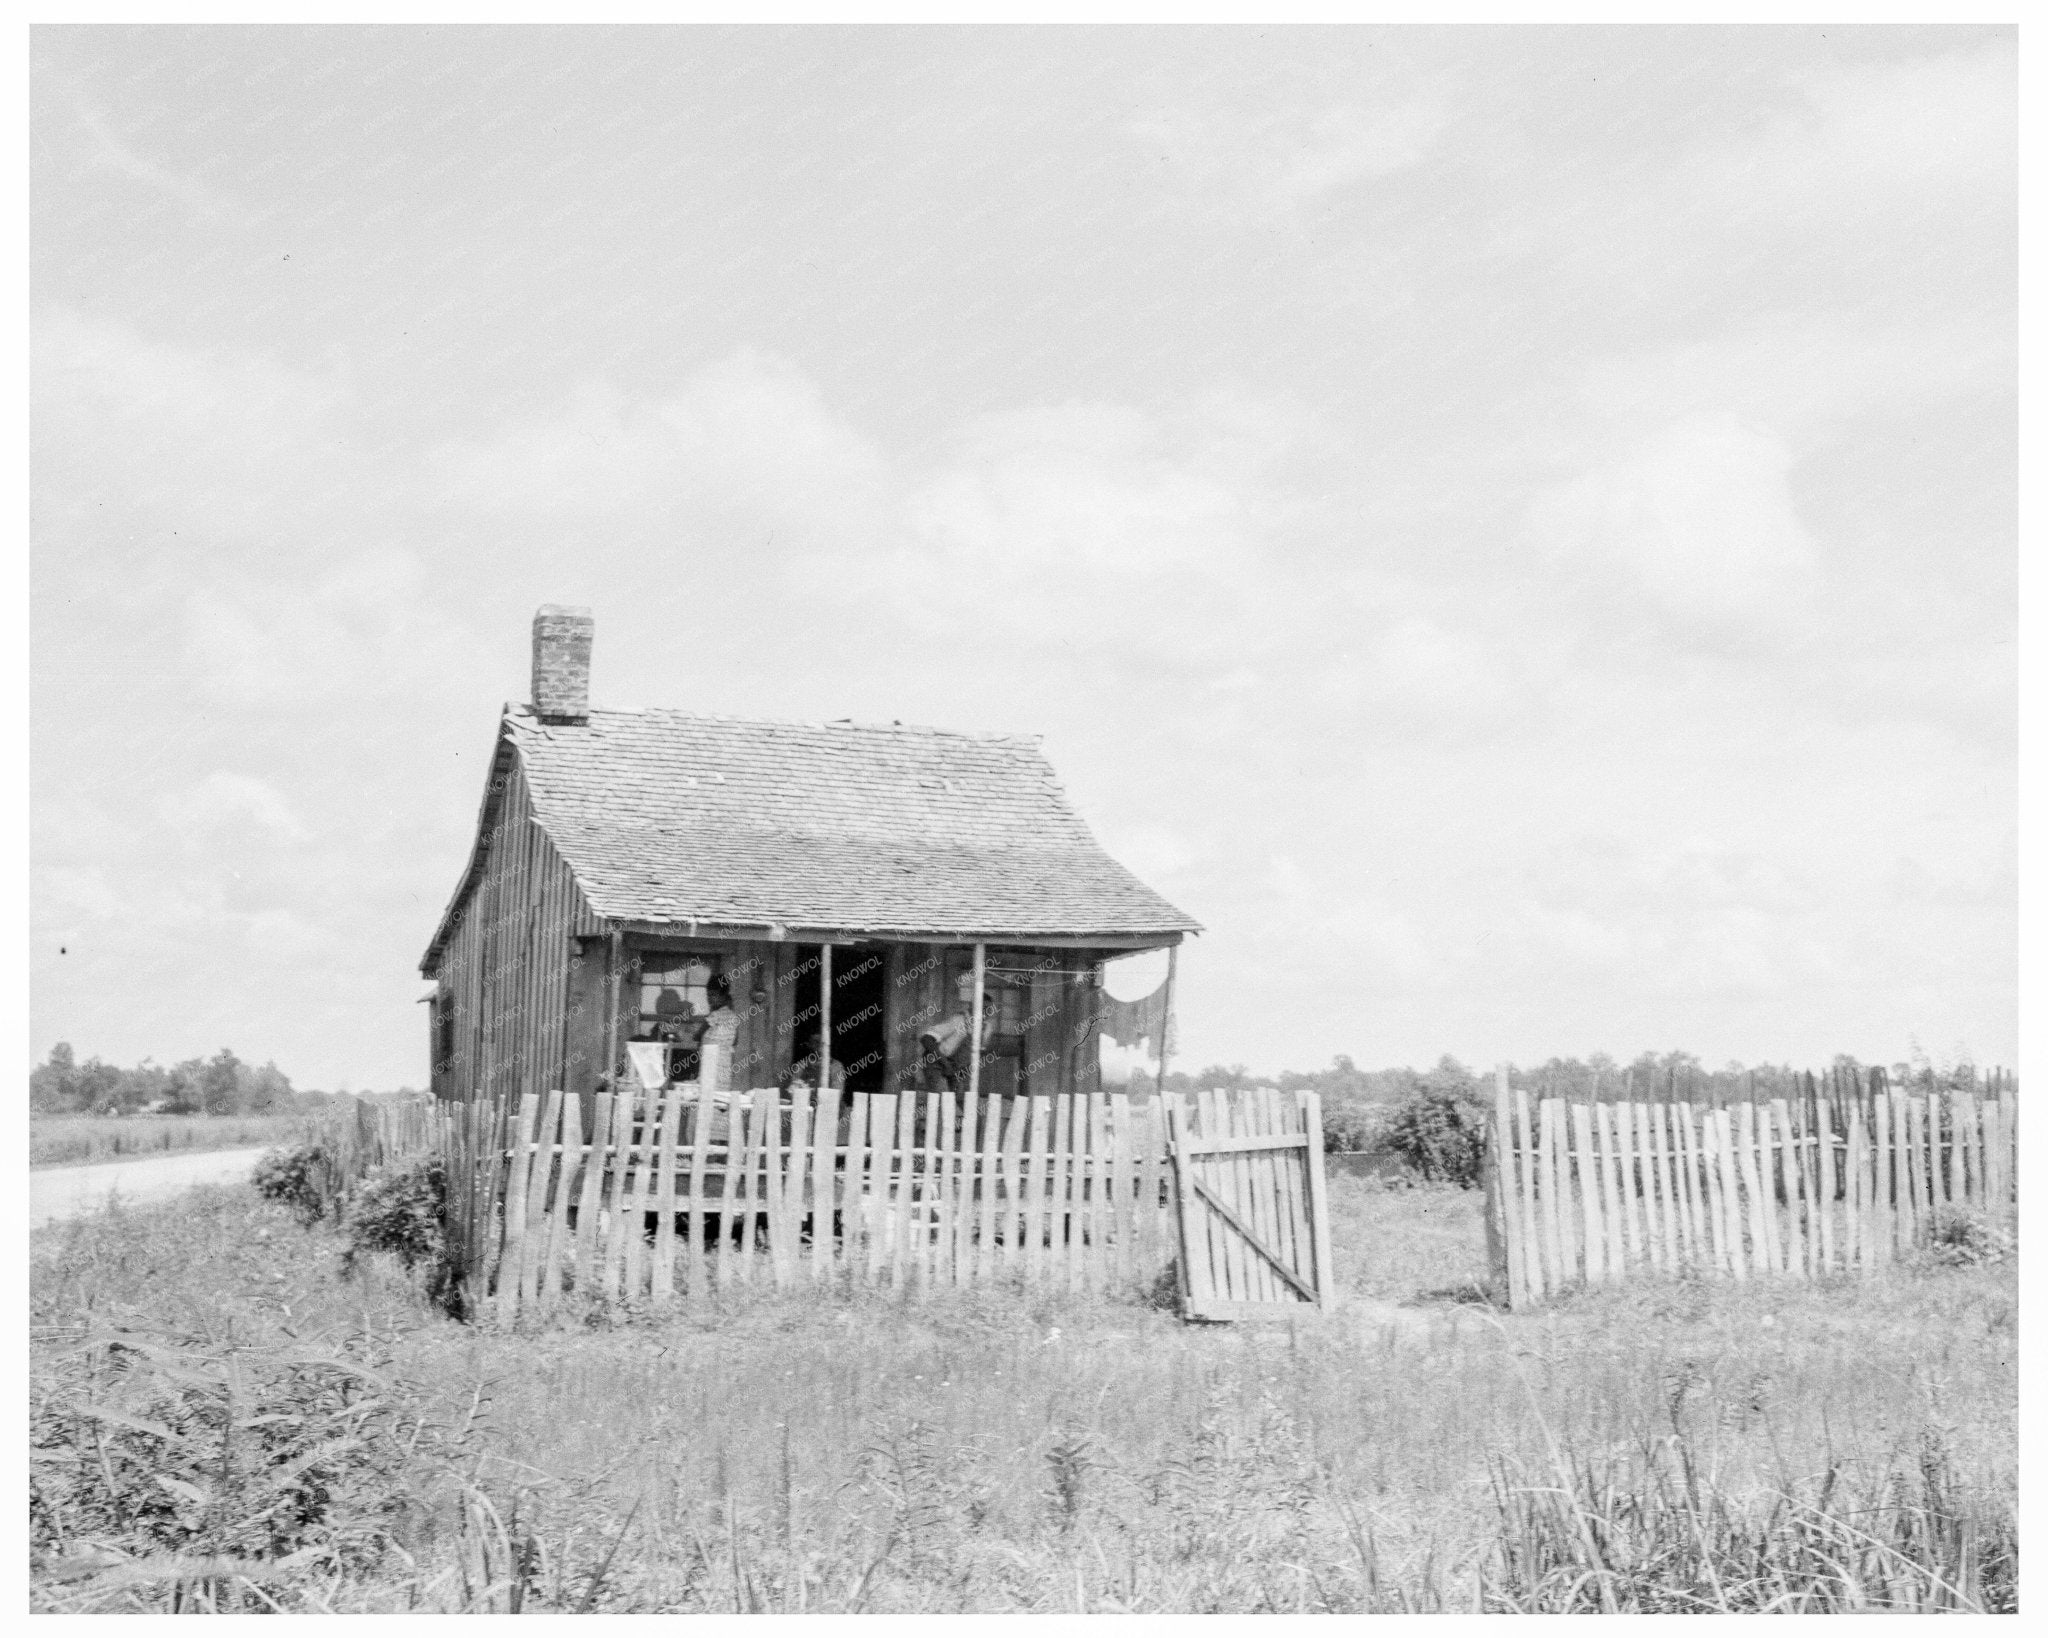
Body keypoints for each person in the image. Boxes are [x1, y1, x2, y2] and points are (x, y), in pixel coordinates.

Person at [915, 968, 993, 1093]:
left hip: (957, 1067)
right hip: (937, 1062)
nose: (986, 1013)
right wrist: (945, 1064)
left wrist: (961, 1071)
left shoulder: (986, 1028)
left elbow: (978, 1052)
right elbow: (926, 1039)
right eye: (983, 1008)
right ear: (972, 1006)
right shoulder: (959, 1020)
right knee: (941, 1097)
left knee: (961, 1097)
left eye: (989, 1009)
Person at [699, 974, 739, 1091]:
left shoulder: (714, 1015)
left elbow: (698, 1035)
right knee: (721, 1094)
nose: (709, 998)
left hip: (712, 1061)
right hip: (725, 1061)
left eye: (713, 995)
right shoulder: (733, 1016)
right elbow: (736, 1040)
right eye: (708, 995)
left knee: (708, 1091)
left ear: (723, 996)